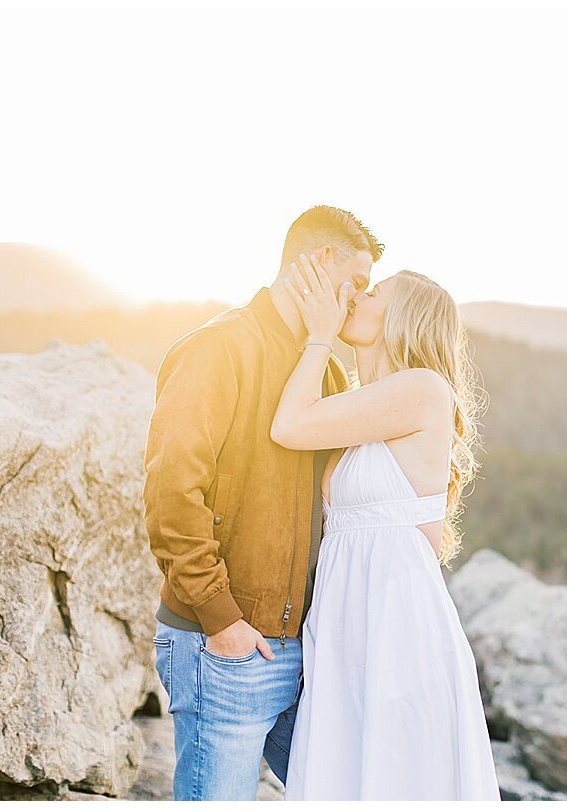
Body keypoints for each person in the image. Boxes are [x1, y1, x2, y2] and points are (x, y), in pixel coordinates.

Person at [143, 205, 382, 800]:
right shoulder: (216, 349)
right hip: (224, 645)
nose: (358, 299)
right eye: (356, 282)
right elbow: (172, 493)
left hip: (306, 652)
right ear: (320, 261)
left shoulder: (327, 373)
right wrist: (222, 619)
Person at [271, 255, 499, 800]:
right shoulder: (365, 403)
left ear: (403, 318)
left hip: (396, 625)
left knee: (396, 775)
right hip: (346, 621)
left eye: (373, 293)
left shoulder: (421, 389)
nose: (357, 296)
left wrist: (319, 336)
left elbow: (290, 425)